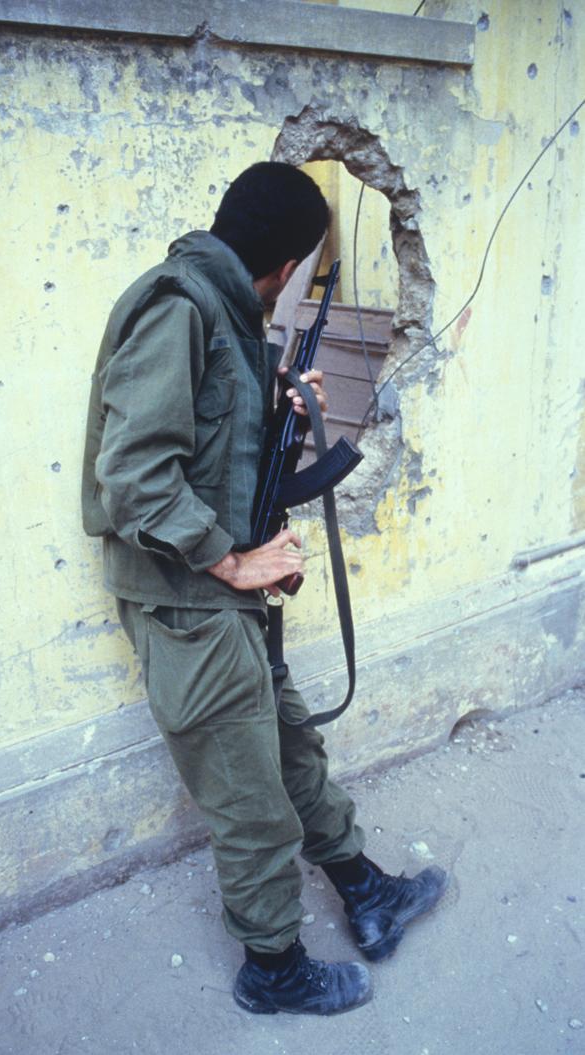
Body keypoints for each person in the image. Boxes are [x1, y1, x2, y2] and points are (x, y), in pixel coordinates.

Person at [81, 162, 447, 1016]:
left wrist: (277, 403)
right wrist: (232, 560)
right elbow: (133, 474)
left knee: (292, 754)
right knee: (250, 800)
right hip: (188, 605)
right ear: (285, 266)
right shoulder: (178, 308)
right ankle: (273, 968)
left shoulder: (221, 313)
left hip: (222, 602)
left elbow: (208, 445)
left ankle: (366, 892)